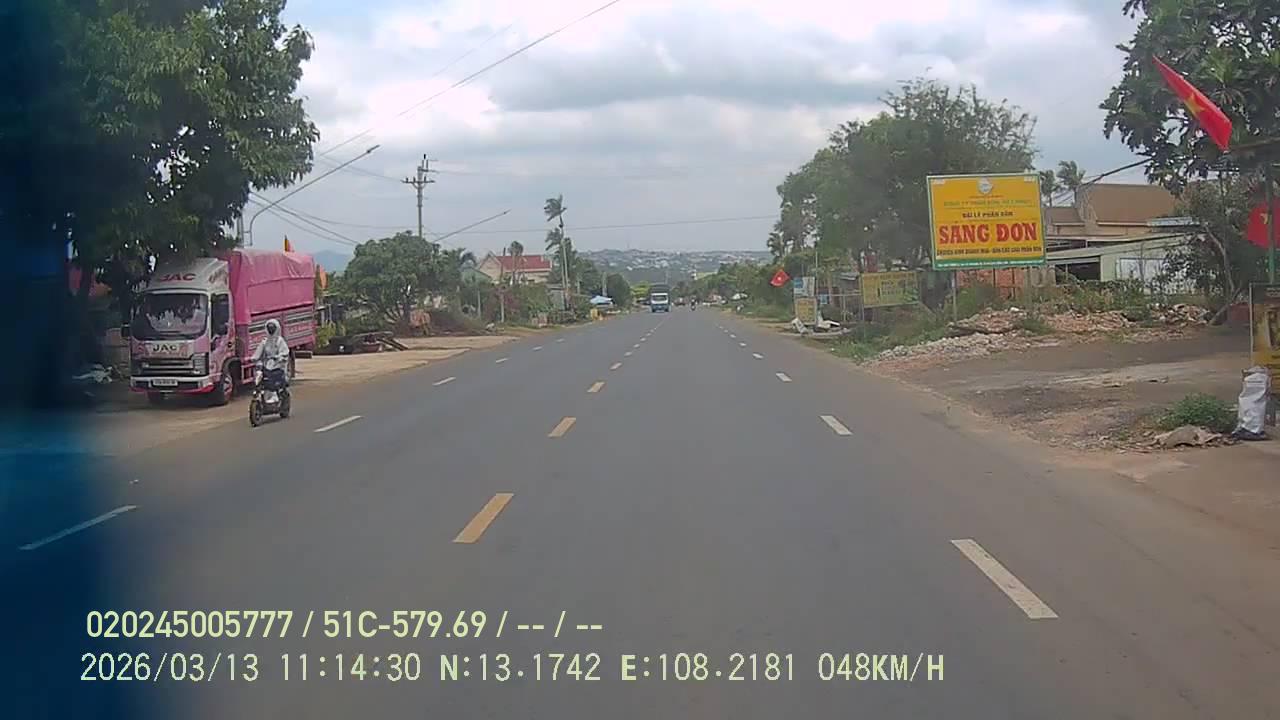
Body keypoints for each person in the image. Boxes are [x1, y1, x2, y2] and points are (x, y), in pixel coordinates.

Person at [252, 319, 290, 385]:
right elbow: (258, 353)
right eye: (269, 328)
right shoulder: (265, 341)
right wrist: (255, 359)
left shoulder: (280, 341)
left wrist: (278, 357)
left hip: (278, 365)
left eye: (272, 328)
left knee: (282, 382)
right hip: (267, 365)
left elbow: (285, 352)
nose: (271, 330)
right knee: (259, 376)